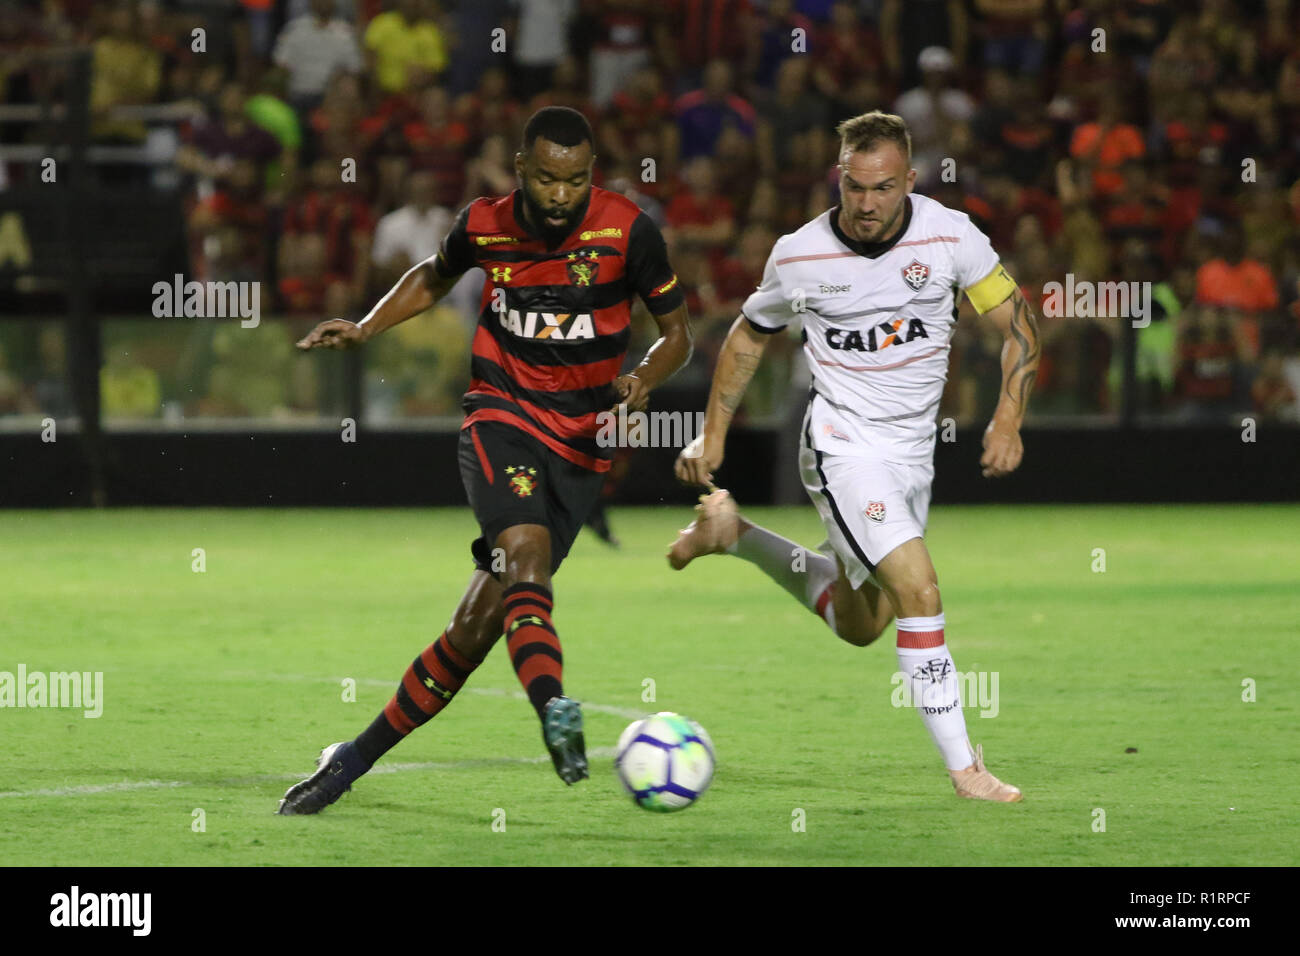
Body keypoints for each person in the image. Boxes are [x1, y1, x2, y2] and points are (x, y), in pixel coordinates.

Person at [280, 107, 692, 813]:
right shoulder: (485, 222)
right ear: (523, 170)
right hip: (501, 416)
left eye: (575, 179)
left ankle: (348, 762)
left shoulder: (628, 230)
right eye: (547, 179)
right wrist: (367, 325)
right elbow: (434, 275)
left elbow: (677, 333)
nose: (561, 194)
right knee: (524, 554)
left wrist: (646, 377)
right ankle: (554, 709)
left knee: (472, 631)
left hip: (582, 447)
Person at [668, 111, 1038, 802]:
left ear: (909, 180)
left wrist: (1008, 418)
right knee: (919, 591)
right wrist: (713, 432)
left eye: (883, 187)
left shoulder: (952, 237)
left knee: (863, 623)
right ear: (838, 175)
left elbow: (1018, 325)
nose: (867, 204)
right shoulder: (800, 253)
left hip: (911, 454)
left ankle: (735, 535)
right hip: (841, 445)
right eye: (854, 186)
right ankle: (967, 770)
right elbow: (750, 336)